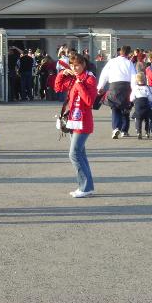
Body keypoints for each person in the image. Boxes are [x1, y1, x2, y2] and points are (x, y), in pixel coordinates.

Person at [54, 54, 97, 198]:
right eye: (72, 65)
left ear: (83, 64)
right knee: (81, 154)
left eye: (77, 65)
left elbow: (90, 101)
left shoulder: (89, 78)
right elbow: (58, 88)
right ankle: (87, 186)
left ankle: (84, 187)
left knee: (74, 154)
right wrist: (62, 73)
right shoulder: (73, 78)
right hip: (73, 120)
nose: (74, 68)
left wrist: (79, 84)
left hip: (84, 122)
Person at [97, 45, 136, 139]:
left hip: (114, 86)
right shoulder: (129, 63)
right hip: (126, 87)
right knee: (126, 108)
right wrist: (134, 90)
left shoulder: (112, 61)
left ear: (120, 52)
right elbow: (133, 77)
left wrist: (100, 86)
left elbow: (104, 74)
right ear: (129, 53)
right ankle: (124, 130)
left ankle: (115, 128)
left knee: (115, 108)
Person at [130, 72, 152, 139]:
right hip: (146, 104)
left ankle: (138, 132)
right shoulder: (146, 88)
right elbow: (151, 98)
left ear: (136, 80)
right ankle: (147, 132)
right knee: (147, 118)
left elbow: (131, 98)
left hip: (138, 105)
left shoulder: (135, 88)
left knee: (138, 118)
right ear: (145, 79)